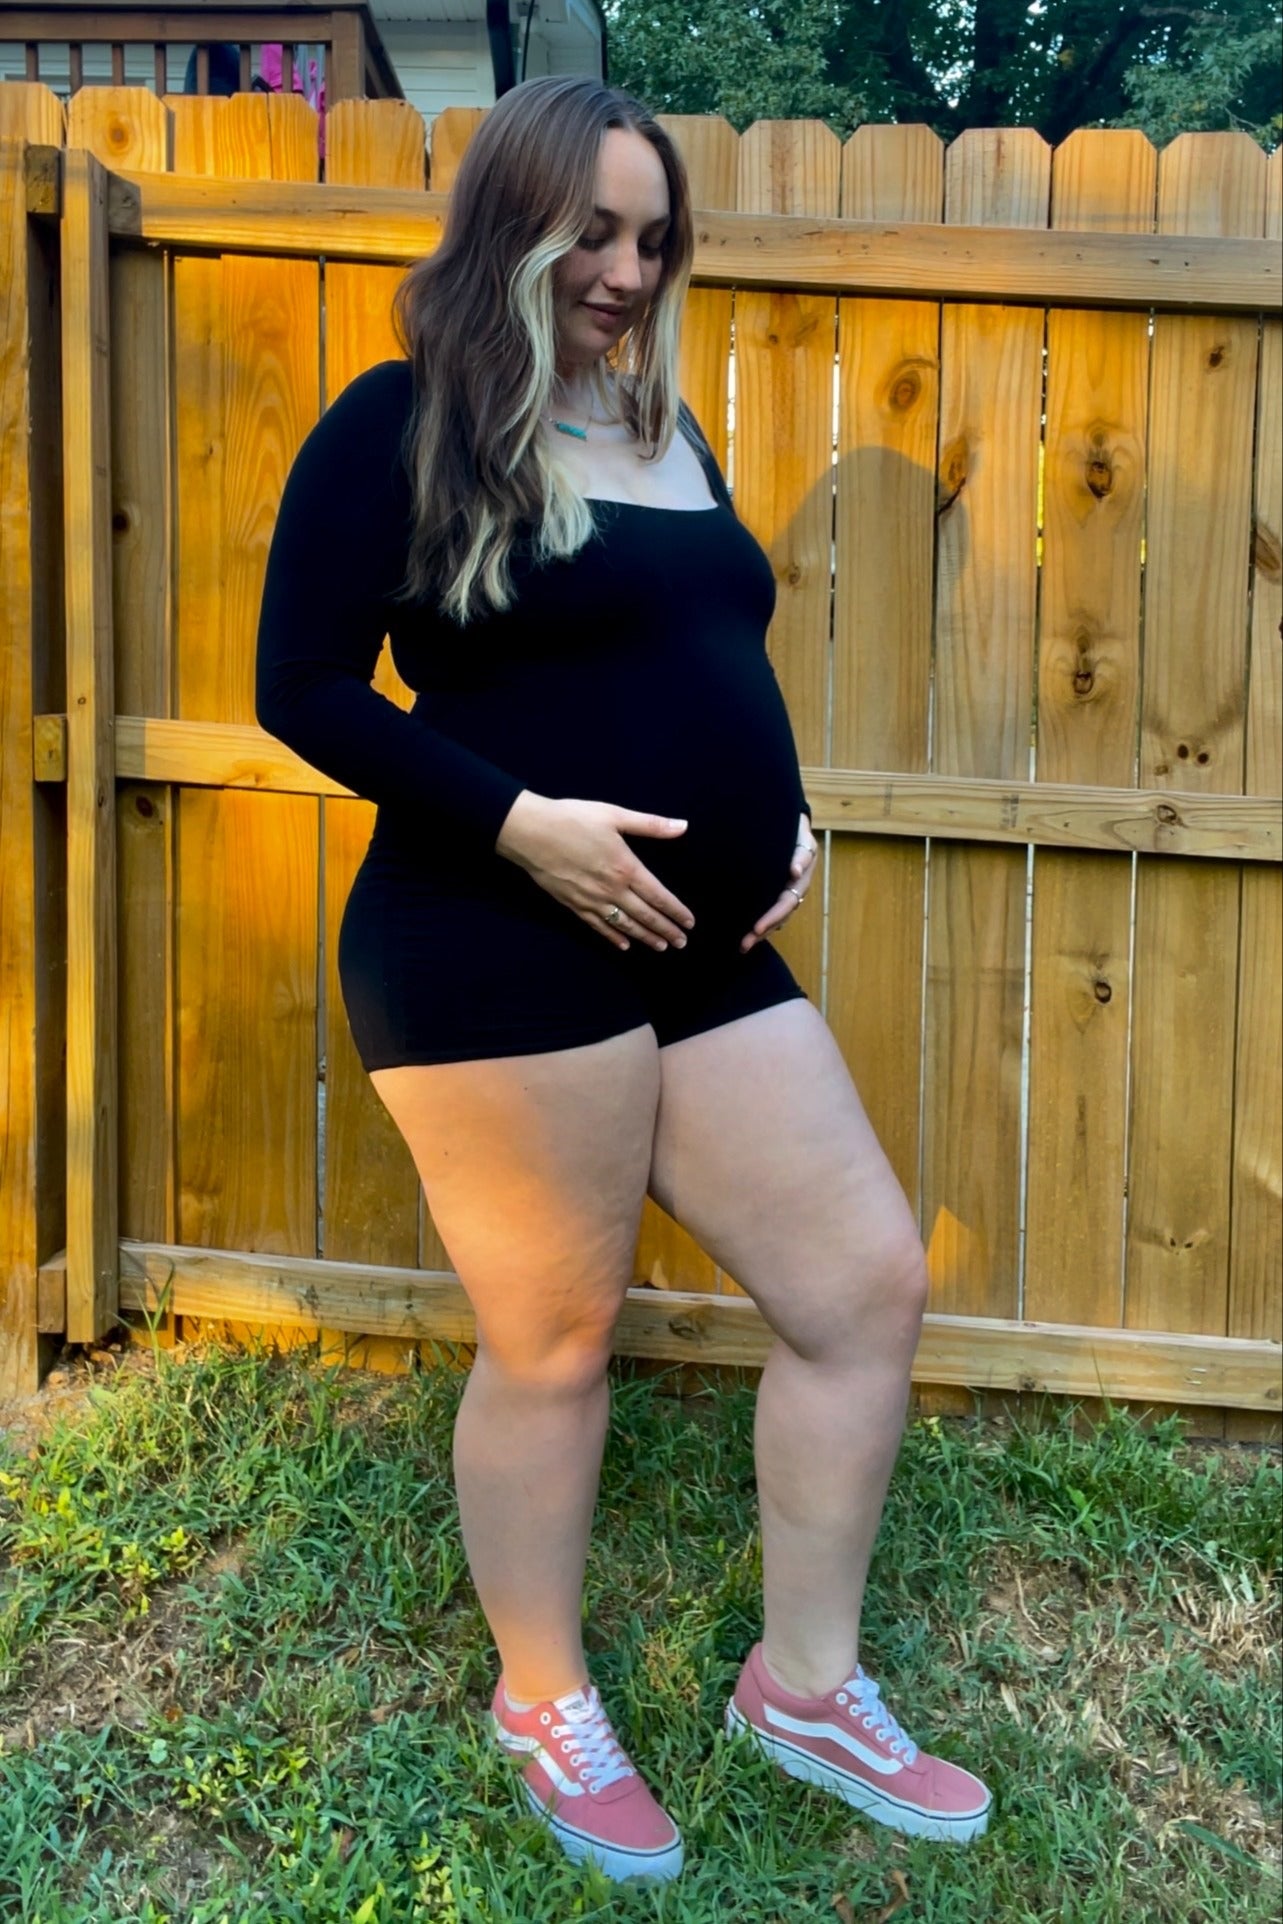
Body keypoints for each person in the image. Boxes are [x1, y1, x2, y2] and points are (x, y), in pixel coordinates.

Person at [256, 75, 991, 1883]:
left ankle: (803, 1689)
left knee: (863, 1283)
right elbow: (305, 688)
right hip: (488, 934)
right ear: (510, 222)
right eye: (591, 230)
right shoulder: (400, 423)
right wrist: (522, 825)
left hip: (699, 947)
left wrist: (786, 812)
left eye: (654, 239)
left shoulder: (666, 425)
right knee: (558, 1337)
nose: (625, 269)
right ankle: (544, 1698)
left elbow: (704, 646)